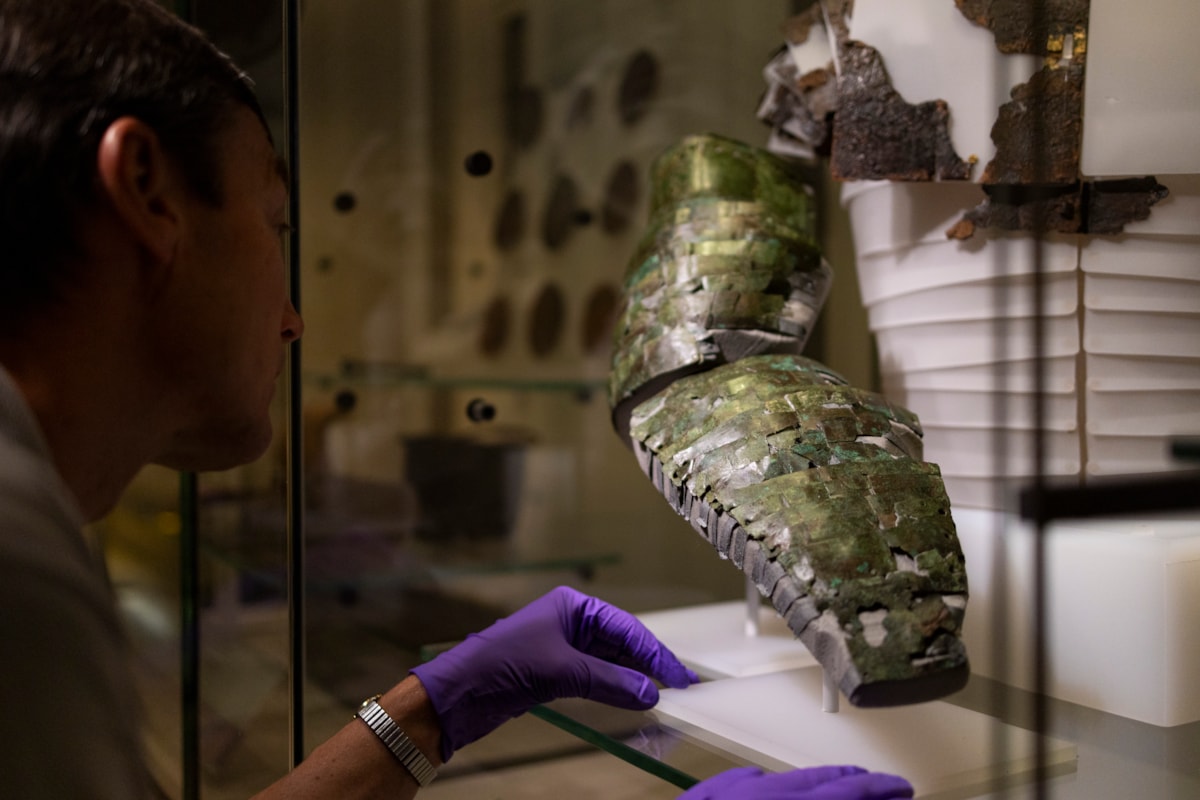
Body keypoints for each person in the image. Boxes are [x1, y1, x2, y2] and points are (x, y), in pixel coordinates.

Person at [0, 1, 913, 798]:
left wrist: (423, 713)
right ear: (147, 191)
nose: (292, 319)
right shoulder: (18, 566)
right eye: (275, 225)